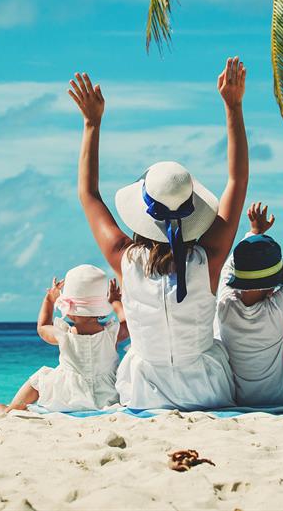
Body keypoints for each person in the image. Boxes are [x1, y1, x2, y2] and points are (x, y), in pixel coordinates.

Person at [67, 58, 250, 409]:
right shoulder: (207, 260)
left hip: (143, 392)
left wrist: (92, 124)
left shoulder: (125, 258)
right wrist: (234, 106)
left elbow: (88, 194)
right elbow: (237, 181)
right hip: (207, 391)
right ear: (192, 210)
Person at [215, 200, 283, 406]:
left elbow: (230, 267)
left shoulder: (225, 304)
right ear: (273, 285)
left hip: (239, 398)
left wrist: (254, 232)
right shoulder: (276, 309)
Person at [0, 265, 128, 414]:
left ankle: (12, 408)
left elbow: (42, 327)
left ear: (69, 312)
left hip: (68, 395)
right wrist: (116, 302)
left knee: (40, 377)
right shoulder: (111, 334)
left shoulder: (63, 334)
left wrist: (49, 300)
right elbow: (127, 324)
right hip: (107, 395)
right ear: (101, 309)